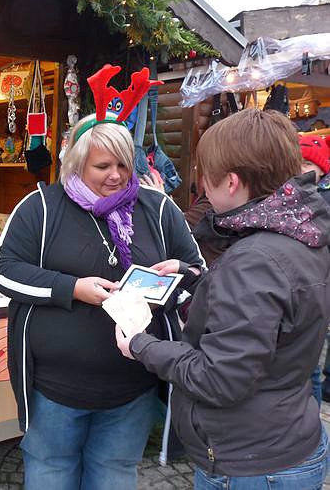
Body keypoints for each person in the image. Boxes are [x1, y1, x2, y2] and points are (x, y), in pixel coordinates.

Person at [0, 65, 205, 490]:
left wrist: (177, 276)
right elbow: (4, 270)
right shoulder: (42, 207)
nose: (117, 176)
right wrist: (71, 288)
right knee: (51, 474)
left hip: (132, 386)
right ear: (75, 164)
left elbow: (198, 272)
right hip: (55, 389)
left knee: (114, 476)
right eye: (102, 166)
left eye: (124, 164)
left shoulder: (158, 208)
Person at [115, 109, 330, 489]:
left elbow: (218, 378)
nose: (202, 187)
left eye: (205, 178)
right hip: (286, 435)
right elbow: (275, 313)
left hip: (250, 460)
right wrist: (195, 277)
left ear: (231, 182)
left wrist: (141, 345)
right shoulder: (300, 232)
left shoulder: (253, 261)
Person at [297, 134, 330, 404]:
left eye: (308, 164)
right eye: (298, 162)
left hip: (320, 287)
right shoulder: (294, 196)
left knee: (311, 368)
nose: (302, 169)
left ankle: (314, 421)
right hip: (302, 286)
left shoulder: (322, 201)